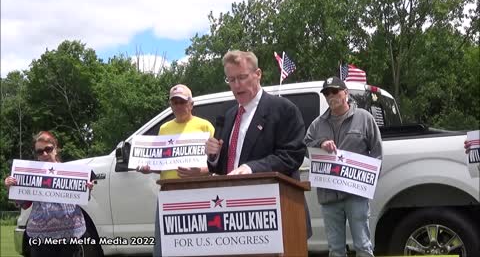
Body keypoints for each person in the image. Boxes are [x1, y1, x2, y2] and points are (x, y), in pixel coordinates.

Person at [205, 50, 312, 237]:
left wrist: (251, 168)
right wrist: (213, 157)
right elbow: (227, 166)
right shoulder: (230, 115)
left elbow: (291, 155)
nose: (237, 85)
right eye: (231, 80)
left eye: (242, 77)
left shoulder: (283, 109)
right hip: (235, 216)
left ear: (258, 74)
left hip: (276, 214)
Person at [304, 76, 383, 257]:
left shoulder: (364, 118)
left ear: (345, 93)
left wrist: (369, 182)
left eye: (335, 91)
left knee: (363, 245)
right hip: (329, 196)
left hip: (356, 195)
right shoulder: (317, 124)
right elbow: (305, 147)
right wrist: (320, 143)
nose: (331, 96)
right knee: (335, 249)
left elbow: (377, 152)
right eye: (326, 93)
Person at [137, 84, 214, 257]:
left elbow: (217, 163)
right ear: (170, 105)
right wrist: (149, 168)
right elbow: (161, 163)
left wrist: (201, 171)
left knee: (198, 242)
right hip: (168, 191)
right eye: (175, 102)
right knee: (166, 244)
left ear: (191, 104)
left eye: (182, 101)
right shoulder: (164, 129)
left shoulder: (205, 126)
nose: (178, 106)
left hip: (197, 193)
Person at [4, 131, 94, 257]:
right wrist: (11, 188)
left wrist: (86, 189)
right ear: (36, 155)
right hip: (40, 239)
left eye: (48, 149)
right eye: (40, 151)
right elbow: (24, 204)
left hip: (70, 235)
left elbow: (82, 199)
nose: (44, 154)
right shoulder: (30, 173)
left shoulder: (74, 172)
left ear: (55, 149)